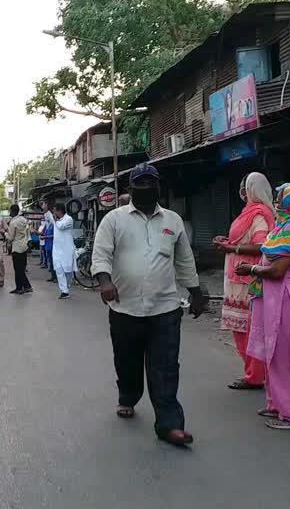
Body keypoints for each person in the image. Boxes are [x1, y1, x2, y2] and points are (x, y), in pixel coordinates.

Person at [91, 163, 205, 447]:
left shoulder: (173, 221)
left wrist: (196, 292)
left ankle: (170, 425)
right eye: (138, 184)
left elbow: (184, 261)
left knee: (165, 367)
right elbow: (101, 253)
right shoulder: (114, 220)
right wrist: (105, 281)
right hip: (124, 308)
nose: (144, 189)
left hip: (165, 307)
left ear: (158, 188)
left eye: (149, 184)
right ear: (129, 190)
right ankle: (128, 396)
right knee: (127, 361)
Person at [235, 184, 290, 430]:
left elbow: (277, 269)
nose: (277, 201)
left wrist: (250, 269)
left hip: (289, 295)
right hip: (277, 296)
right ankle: (276, 404)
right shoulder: (284, 226)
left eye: (281, 197)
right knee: (271, 352)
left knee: (284, 357)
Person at [213, 173, 275, 390]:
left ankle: (255, 375)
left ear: (252, 189)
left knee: (249, 330)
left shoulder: (259, 214)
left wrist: (232, 248)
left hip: (248, 279)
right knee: (242, 329)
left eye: (244, 187)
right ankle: (257, 372)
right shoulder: (248, 213)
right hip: (237, 277)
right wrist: (228, 242)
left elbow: (261, 245)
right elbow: (244, 239)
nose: (241, 191)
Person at [51, 203, 76, 299]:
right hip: (57, 250)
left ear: (59, 211)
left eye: (55, 211)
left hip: (66, 249)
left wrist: (55, 220)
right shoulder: (56, 220)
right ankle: (64, 291)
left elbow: (61, 226)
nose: (54, 213)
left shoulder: (68, 219)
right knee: (58, 269)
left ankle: (67, 286)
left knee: (67, 269)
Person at [7, 204, 32, 294]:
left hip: (16, 247)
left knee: (17, 269)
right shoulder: (24, 220)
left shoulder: (13, 223)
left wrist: (4, 234)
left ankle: (19, 288)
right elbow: (28, 230)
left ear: (12, 211)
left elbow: (10, 237)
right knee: (21, 268)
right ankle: (27, 286)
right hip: (24, 246)